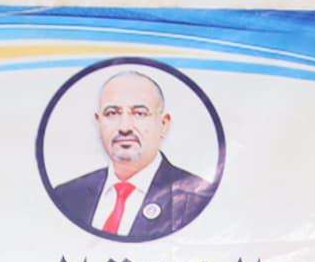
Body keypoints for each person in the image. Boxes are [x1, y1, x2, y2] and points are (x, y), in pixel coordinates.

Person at [48, 67, 215, 241]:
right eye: (112, 113)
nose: (124, 127)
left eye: (139, 113)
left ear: (163, 124)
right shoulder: (66, 196)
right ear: (99, 122)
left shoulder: (196, 199)